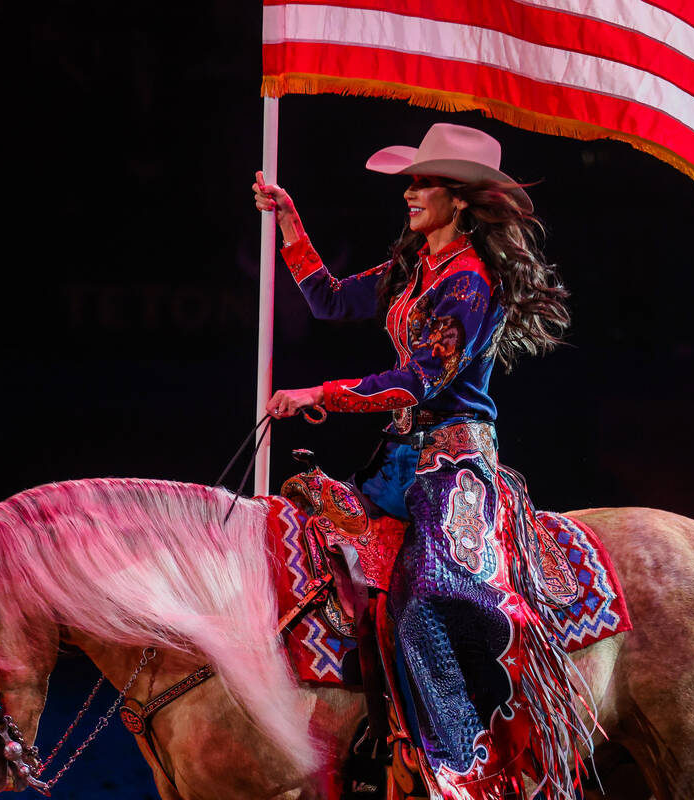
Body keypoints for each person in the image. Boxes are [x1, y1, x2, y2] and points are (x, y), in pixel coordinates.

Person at [253, 123, 579, 800]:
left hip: (455, 466)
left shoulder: (468, 283)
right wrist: (289, 223)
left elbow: (419, 381)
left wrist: (321, 392)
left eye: (423, 181)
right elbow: (332, 298)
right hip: (401, 460)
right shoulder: (416, 265)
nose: (409, 192)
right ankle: (364, 726)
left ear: (459, 198)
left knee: (421, 594)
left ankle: (465, 763)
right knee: (311, 552)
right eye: (411, 179)